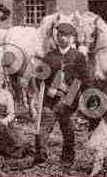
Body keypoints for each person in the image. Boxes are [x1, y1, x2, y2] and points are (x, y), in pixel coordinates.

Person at [34, 23, 89, 168]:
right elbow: (38, 77)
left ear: (72, 38)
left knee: (68, 130)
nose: (62, 38)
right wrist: (48, 89)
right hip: (50, 100)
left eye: (66, 36)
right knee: (43, 128)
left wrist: (70, 97)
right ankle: (41, 159)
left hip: (69, 100)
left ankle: (67, 160)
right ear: (56, 37)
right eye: (59, 35)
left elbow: (84, 80)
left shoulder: (79, 57)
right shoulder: (49, 56)